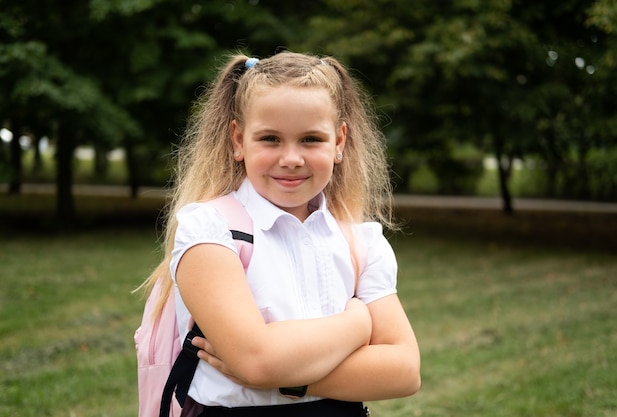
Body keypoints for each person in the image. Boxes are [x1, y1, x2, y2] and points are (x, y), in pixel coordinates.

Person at [139, 50, 420, 417]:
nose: (291, 158)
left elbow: (403, 371)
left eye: (310, 139)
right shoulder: (209, 230)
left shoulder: (360, 243)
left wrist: (294, 379)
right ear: (239, 140)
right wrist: (357, 323)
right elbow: (257, 360)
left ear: (339, 142)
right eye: (270, 138)